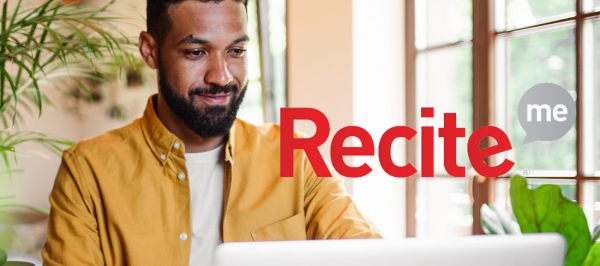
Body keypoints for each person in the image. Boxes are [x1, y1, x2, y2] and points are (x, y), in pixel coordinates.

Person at [42, 0, 381, 265]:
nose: (221, 76)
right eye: (196, 52)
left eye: (236, 51)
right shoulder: (87, 171)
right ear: (150, 51)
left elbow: (367, 254)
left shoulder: (296, 156)